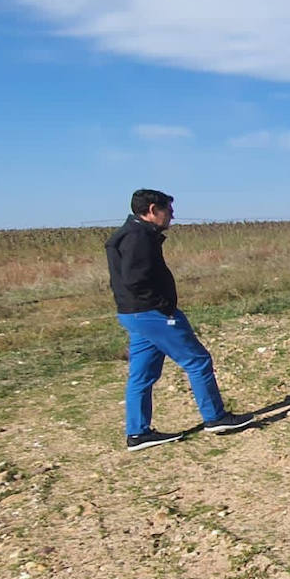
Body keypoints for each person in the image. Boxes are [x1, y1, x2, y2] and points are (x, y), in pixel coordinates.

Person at [106, 189, 258, 451]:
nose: (172, 215)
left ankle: (138, 433)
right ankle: (215, 418)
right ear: (152, 210)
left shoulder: (129, 234)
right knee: (197, 361)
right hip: (151, 314)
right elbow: (134, 280)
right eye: (168, 209)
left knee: (142, 375)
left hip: (135, 315)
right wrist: (164, 307)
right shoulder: (138, 237)